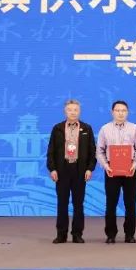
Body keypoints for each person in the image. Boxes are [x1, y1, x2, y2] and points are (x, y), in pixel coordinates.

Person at [46, 99, 97, 244]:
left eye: (75, 110)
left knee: (78, 204)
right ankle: (61, 234)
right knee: (62, 203)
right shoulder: (57, 128)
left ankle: (77, 234)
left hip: (79, 170)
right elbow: (51, 151)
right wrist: (52, 169)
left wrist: (90, 169)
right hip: (62, 170)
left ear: (79, 111)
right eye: (70, 110)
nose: (73, 112)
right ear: (65, 111)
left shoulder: (86, 128)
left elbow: (92, 151)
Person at [96, 100, 136, 244]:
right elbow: (100, 150)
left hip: (130, 170)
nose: (120, 113)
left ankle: (130, 234)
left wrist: (134, 164)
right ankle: (111, 234)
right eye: (117, 110)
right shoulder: (105, 129)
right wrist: (106, 166)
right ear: (112, 112)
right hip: (112, 170)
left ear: (127, 112)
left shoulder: (134, 128)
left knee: (130, 203)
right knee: (111, 203)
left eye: (123, 111)